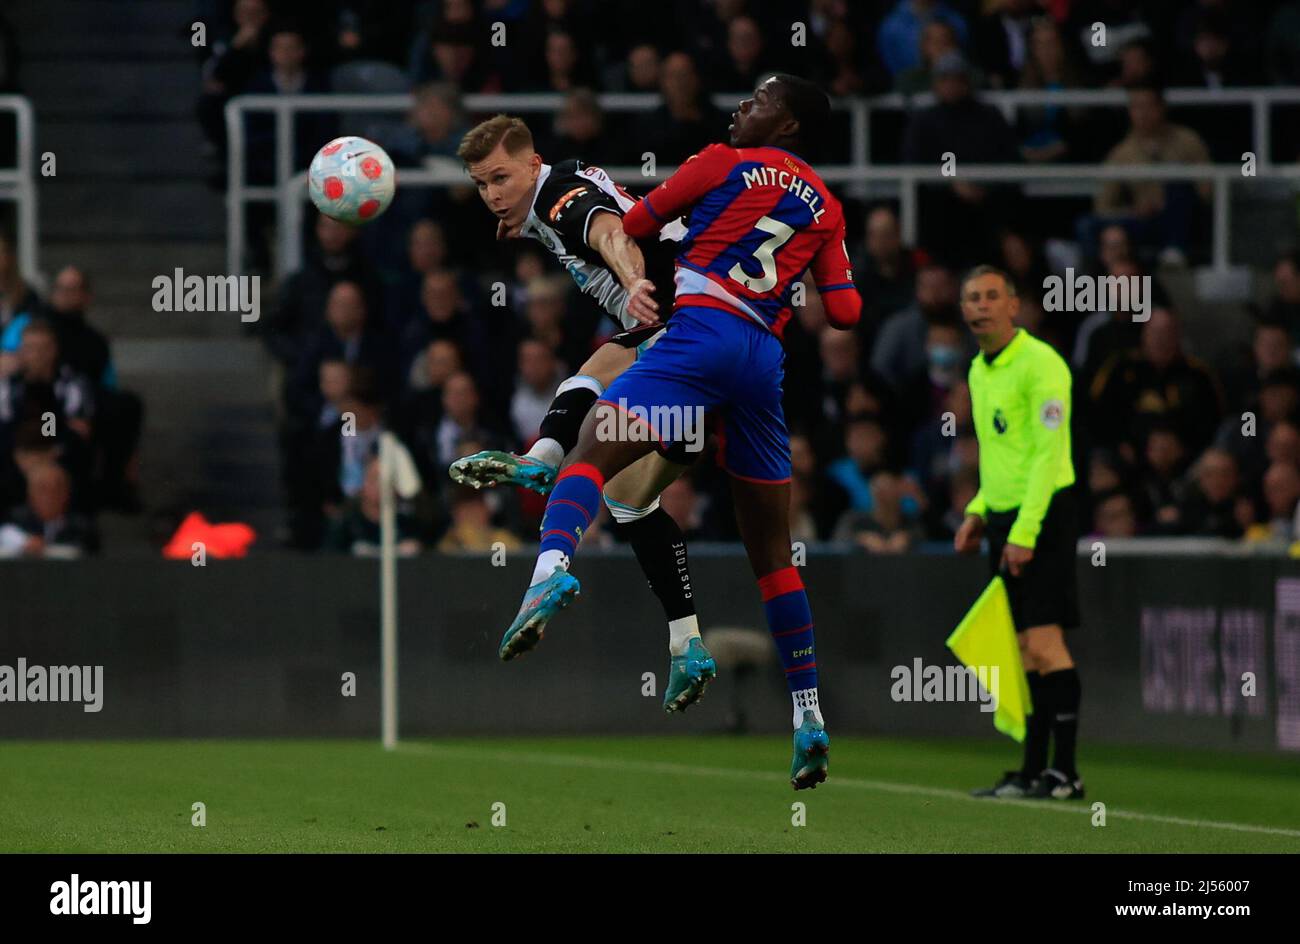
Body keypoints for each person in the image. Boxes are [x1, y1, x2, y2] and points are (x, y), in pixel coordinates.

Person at [501, 75, 861, 790]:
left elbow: (634, 226)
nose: (740, 106)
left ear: (785, 124)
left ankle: (548, 574)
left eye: (757, 101)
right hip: (761, 364)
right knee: (773, 558)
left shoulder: (720, 161)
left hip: (696, 339)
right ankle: (809, 716)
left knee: (592, 455)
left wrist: (693, 230)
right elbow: (846, 312)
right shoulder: (827, 203)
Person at [450, 113, 717, 715]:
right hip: (707, 360)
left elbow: (606, 230)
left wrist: (633, 284)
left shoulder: (560, 198)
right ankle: (688, 644)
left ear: (530, 162)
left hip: (678, 329)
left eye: (500, 178)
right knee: (629, 501)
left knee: (591, 376)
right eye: (480, 184)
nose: (492, 194)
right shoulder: (548, 195)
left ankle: (543, 473)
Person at [953, 266, 1085, 800]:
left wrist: (1025, 531)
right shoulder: (979, 371)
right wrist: (979, 511)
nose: (980, 306)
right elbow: (999, 456)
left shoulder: (1043, 365)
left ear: (1014, 305)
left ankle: (1066, 772)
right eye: (971, 298)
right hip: (1006, 517)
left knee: (1045, 643)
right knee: (1022, 650)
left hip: (1046, 512)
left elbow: (1048, 456)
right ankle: (1033, 769)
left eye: (990, 296)